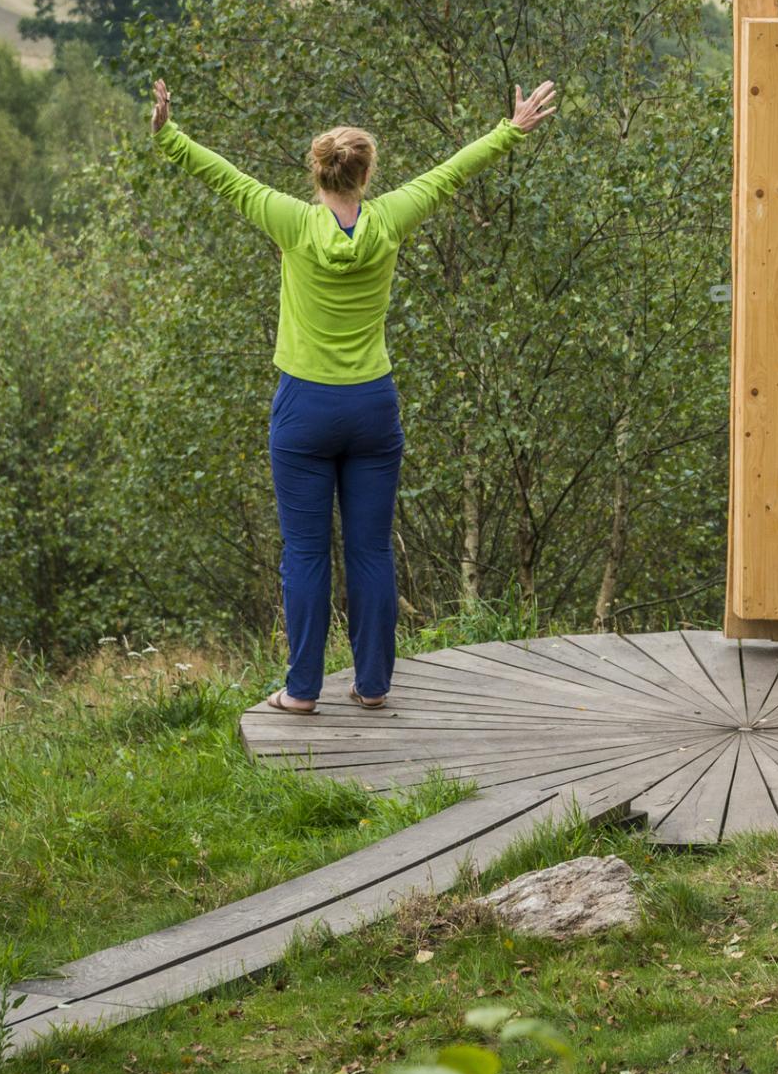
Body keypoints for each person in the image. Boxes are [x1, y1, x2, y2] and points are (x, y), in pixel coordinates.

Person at [149, 77, 558, 713]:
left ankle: (304, 692)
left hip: (305, 410)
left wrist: (170, 136)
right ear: (366, 176)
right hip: (371, 406)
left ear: (318, 173)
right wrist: (511, 129)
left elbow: (226, 179)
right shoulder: (391, 218)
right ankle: (372, 686)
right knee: (369, 549)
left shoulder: (290, 223)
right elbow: (451, 173)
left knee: (306, 552)